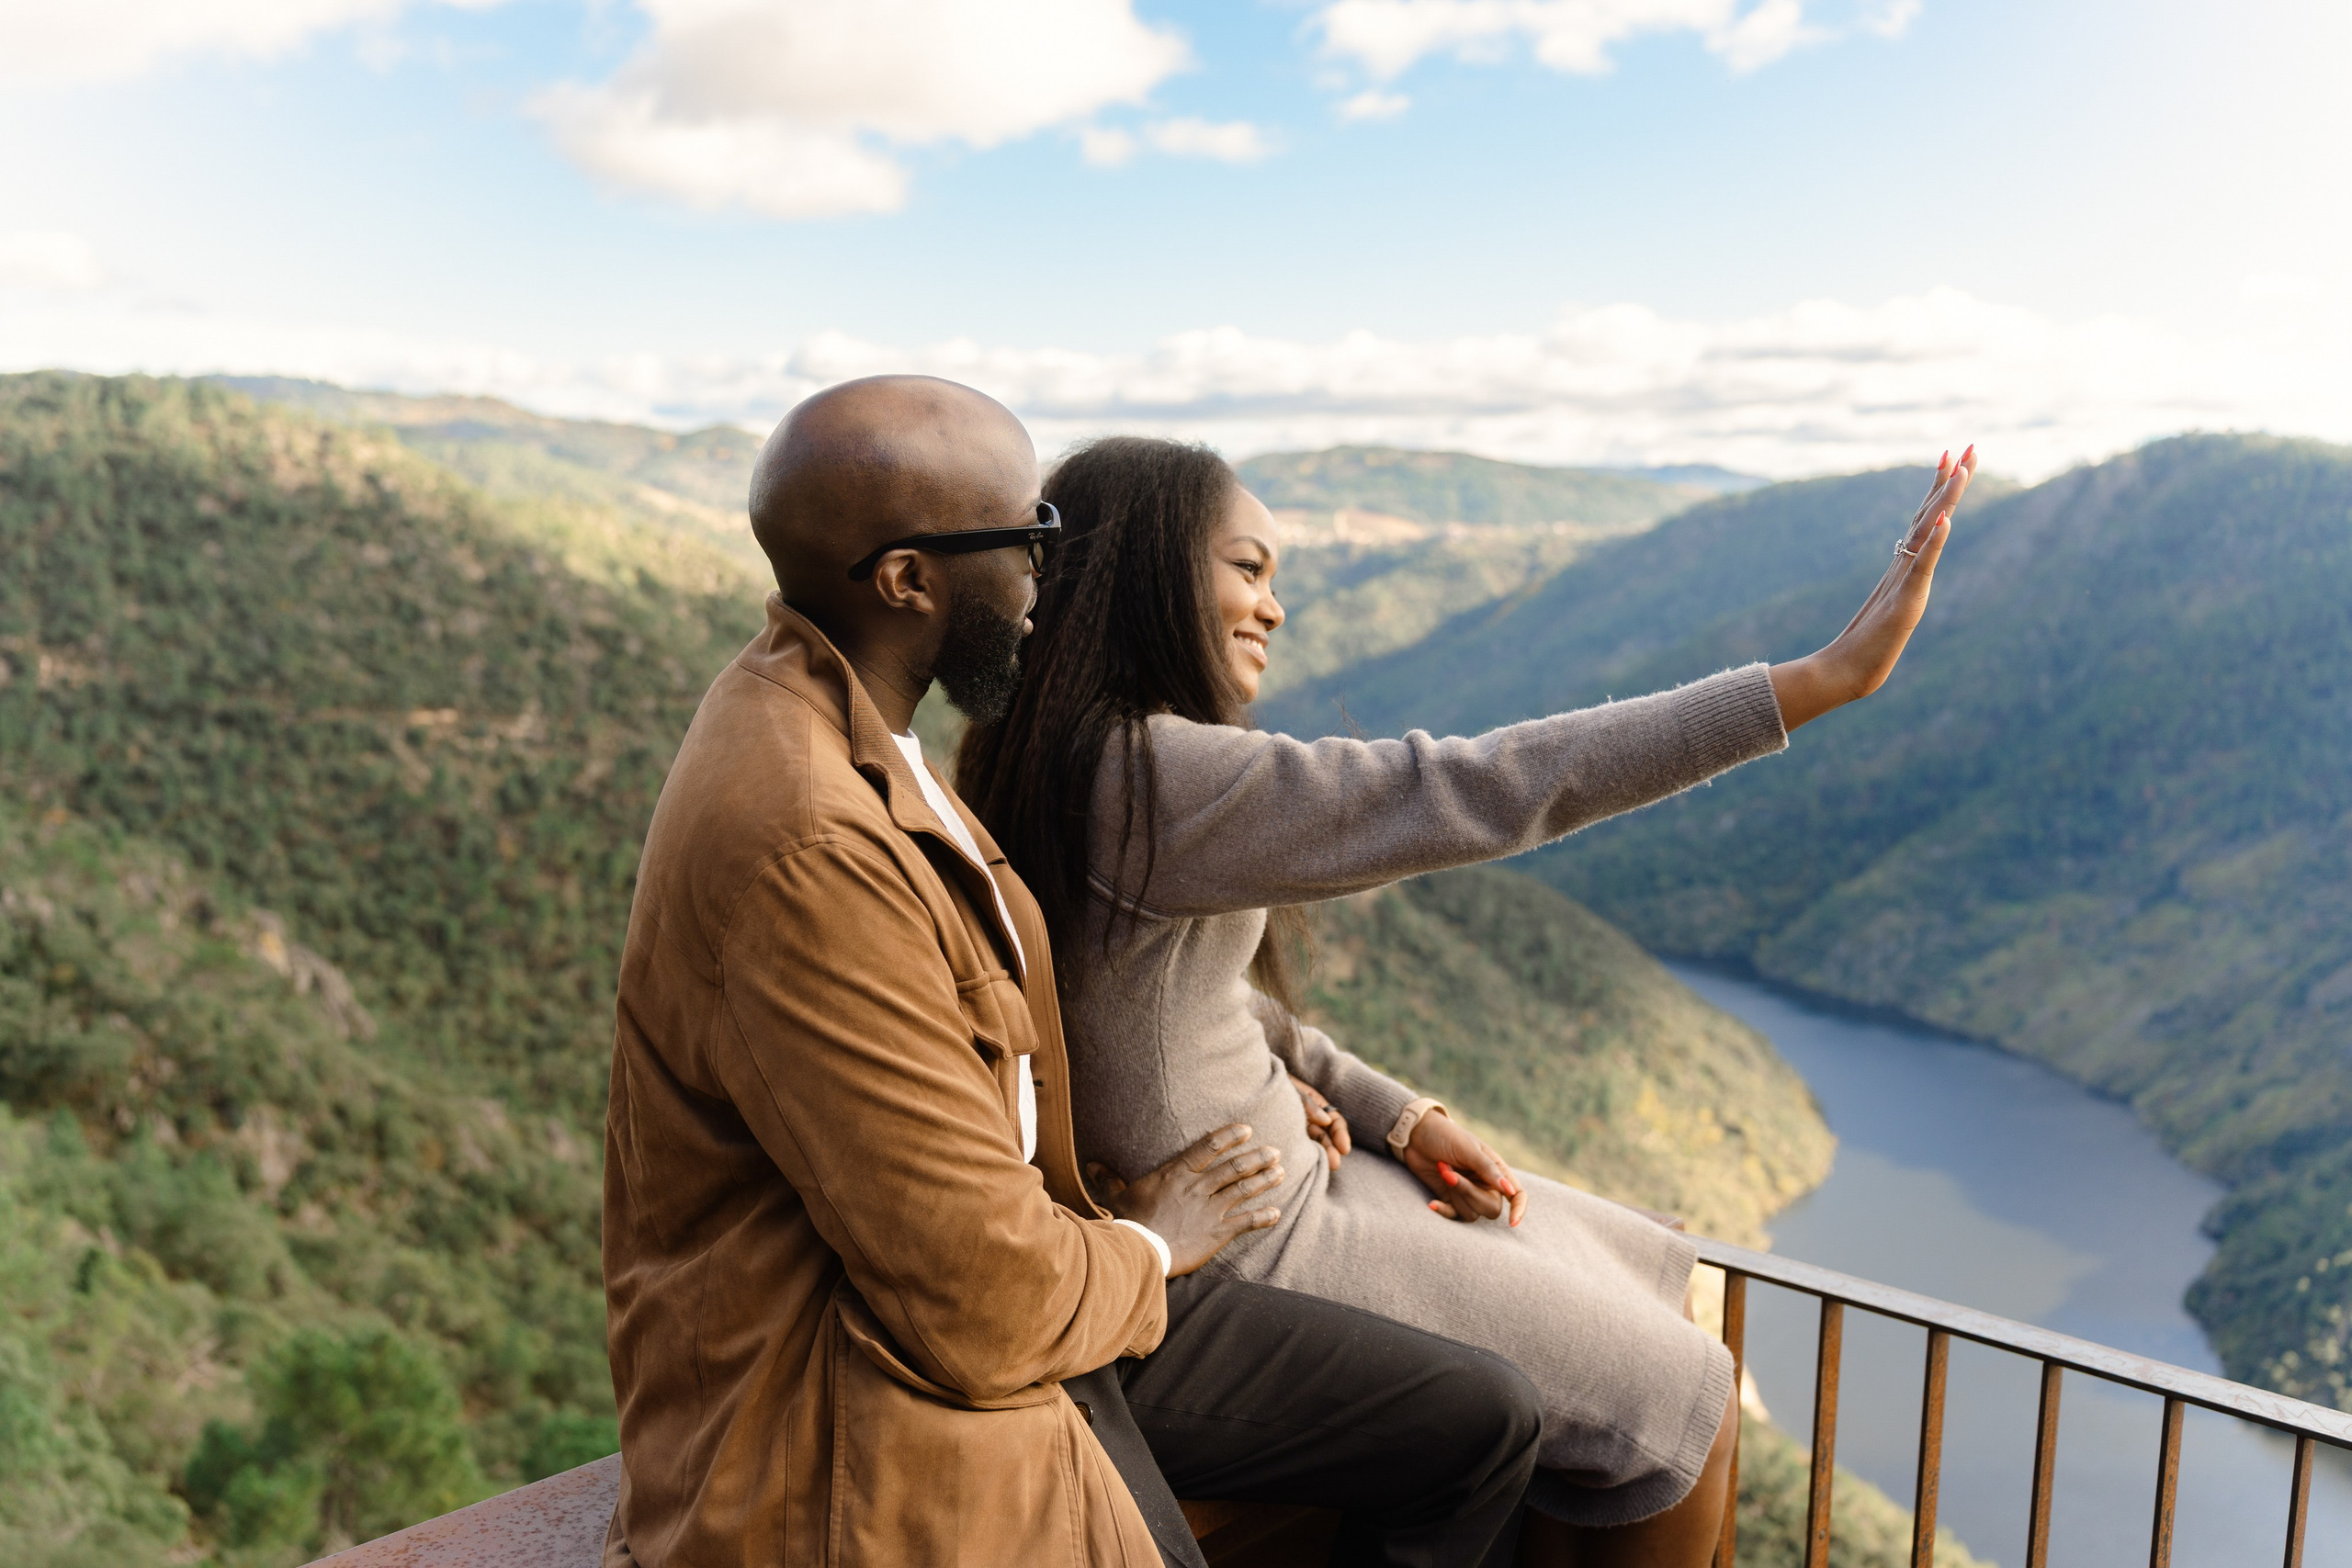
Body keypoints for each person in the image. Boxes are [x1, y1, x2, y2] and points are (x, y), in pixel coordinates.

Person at [956, 434, 1978, 1565]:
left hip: (1297, 1182)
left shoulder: (1073, 757)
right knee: (1681, 1391)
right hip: (1259, 1237)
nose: (1274, 608)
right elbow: (1475, 785)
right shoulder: (1151, 777)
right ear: (1149, 574)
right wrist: (1811, 685)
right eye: (1248, 570)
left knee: (1637, 1267)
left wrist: (1391, 1111)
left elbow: (1188, 1010)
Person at [600, 376, 1546, 1568]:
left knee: (1476, 1416)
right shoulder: (813, 841)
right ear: (909, 578)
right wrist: (1154, 1237)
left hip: (1033, 1283)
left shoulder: (849, 725)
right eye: (1028, 537)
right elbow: (980, 1298)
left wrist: (1337, 1100)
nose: (1049, 572)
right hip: (878, 1398)